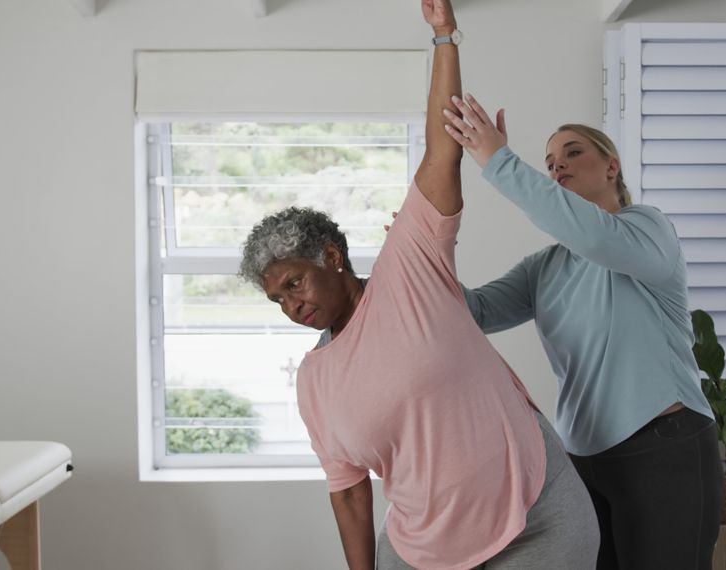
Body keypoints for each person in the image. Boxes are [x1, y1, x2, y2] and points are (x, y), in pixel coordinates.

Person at [237, 2, 597, 568]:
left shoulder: (411, 265)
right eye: (278, 299)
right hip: (423, 548)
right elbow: (350, 492)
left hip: (537, 517)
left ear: (331, 256)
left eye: (295, 282)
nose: (291, 304)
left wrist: (444, 36)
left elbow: (442, 148)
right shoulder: (314, 381)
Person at [441, 97, 724, 569]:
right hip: (584, 458)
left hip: (663, 444)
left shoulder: (647, 229)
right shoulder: (545, 268)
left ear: (612, 166)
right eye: (550, 162)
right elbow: (474, 312)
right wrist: (426, 257)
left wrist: (498, 161)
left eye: (573, 153)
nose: (558, 167)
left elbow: (594, 236)